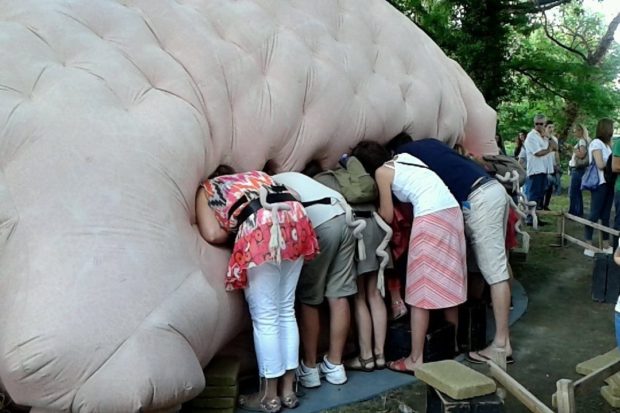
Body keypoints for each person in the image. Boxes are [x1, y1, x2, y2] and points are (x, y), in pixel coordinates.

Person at [196, 166, 319, 412]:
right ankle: (288, 392)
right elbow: (293, 193)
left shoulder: (208, 187)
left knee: (266, 318)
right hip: (295, 218)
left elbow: (211, 233)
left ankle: (268, 396)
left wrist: (237, 227)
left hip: (260, 226)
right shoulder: (258, 176)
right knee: (286, 309)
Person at [387, 134, 515, 365]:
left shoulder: (403, 157)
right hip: (491, 188)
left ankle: (501, 343)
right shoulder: (431, 144)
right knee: (495, 265)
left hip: (477, 198)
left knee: (495, 273)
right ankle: (487, 336)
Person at [351, 141, 467, 373]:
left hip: (430, 217)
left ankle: (416, 358)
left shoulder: (382, 172)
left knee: (419, 288)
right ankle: (450, 346)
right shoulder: (406, 159)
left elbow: (385, 213)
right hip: (452, 212)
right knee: (449, 280)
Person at [271, 171, 356, 388]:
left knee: (310, 297)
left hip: (321, 225)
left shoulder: (272, 182)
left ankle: (309, 368)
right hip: (346, 220)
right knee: (338, 296)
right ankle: (336, 366)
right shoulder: (297, 175)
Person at [583, 118, 614, 257]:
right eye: (611, 128)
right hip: (600, 182)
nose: (613, 130)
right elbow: (600, 164)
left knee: (606, 215)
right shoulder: (596, 143)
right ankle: (588, 244)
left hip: (609, 183)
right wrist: (613, 165)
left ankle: (606, 244)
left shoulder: (607, 145)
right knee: (594, 213)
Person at [524, 114, 556, 211]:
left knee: (540, 194)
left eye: (541, 124)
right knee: (533, 194)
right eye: (536, 123)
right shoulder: (531, 136)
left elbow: (556, 147)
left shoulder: (546, 136)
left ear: (545, 124)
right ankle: (530, 217)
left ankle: (537, 216)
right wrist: (549, 150)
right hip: (535, 170)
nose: (538, 125)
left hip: (544, 169)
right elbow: (538, 153)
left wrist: (549, 137)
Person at [568, 124, 591, 217]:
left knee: (574, 191)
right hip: (580, 169)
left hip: (578, 169)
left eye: (575, 131)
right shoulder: (586, 140)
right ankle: (578, 211)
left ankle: (574, 212)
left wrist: (572, 149)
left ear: (580, 131)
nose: (574, 133)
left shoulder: (582, 141)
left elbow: (582, 154)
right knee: (577, 191)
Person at [542, 121, 560, 210]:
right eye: (549, 127)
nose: (551, 129)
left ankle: (546, 204)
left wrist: (557, 163)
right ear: (545, 127)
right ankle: (540, 204)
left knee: (550, 186)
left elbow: (556, 149)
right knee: (544, 185)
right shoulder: (541, 138)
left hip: (551, 164)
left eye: (552, 127)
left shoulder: (553, 139)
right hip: (543, 165)